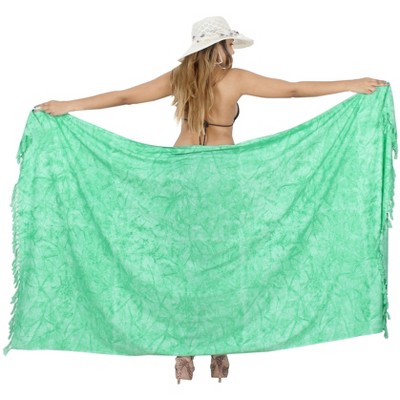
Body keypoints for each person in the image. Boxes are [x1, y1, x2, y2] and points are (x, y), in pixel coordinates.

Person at [33, 16, 389, 384]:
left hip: (180, 173)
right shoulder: (236, 79)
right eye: (229, 43)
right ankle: (219, 346)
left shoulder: (179, 78)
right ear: (214, 46)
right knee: (225, 262)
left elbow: (124, 97)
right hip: (221, 175)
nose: (233, 49)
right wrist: (351, 84)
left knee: (184, 264)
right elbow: (293, 90)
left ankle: (184, 351)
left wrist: (66, 104)